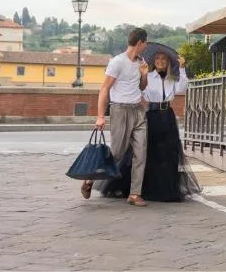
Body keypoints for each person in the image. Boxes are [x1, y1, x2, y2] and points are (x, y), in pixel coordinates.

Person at [99, 49, 201, 202]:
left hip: (167, 116)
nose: (160, 61)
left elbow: (182, 89)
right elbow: (141, 90)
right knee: (147, 153)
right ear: (154, 61)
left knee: (168, 154)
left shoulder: (173, 78)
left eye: (163, 58)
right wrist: (144, 75)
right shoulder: (148, 76)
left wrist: (182, 69)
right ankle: (141, 188)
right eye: (157, 58)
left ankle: (164, 189)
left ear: (168, 62)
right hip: (151, 115)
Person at [82, 27, 149, 206]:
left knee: (141, 152)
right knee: (117, 153)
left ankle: (135, 194)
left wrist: (144, 75)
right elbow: (104, 89)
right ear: (140, 42)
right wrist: (100, 116)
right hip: (120, 110)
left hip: (138, 110)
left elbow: (142, 87)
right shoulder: (117, 62)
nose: (146, 46)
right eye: (145, 43)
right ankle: (90, 178)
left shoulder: (141, 62)